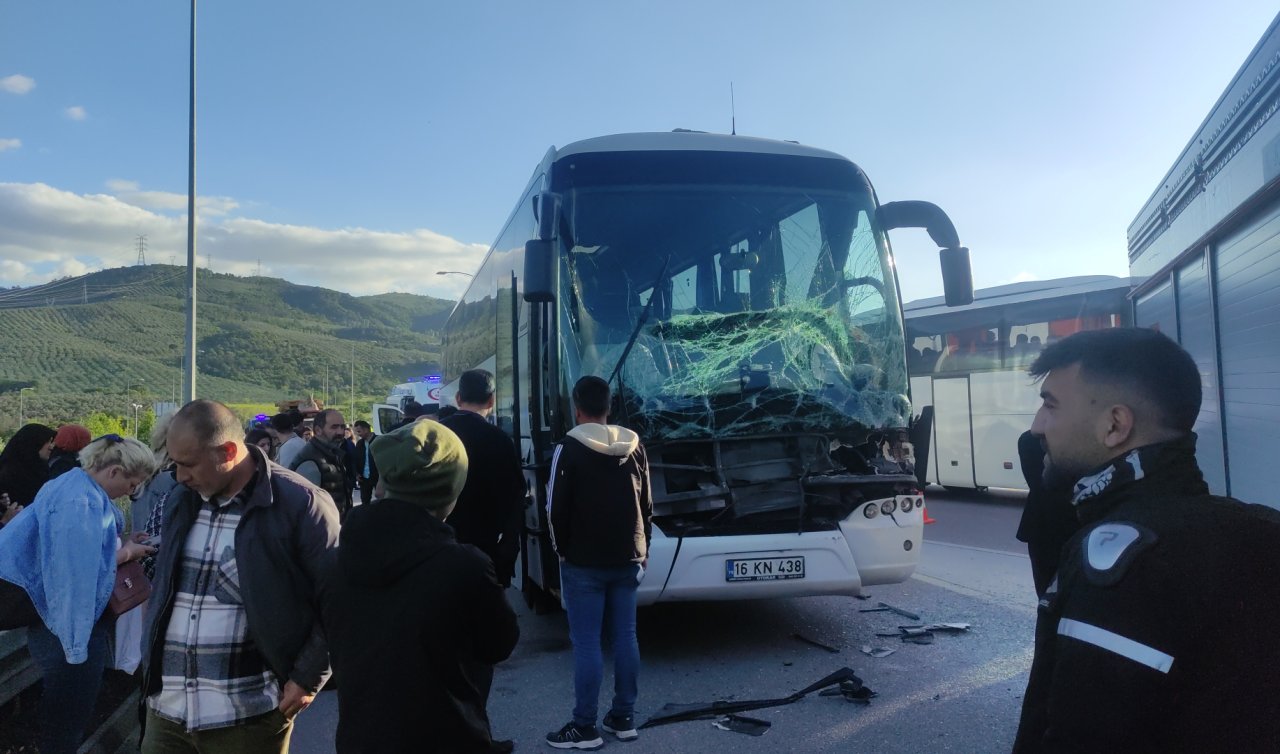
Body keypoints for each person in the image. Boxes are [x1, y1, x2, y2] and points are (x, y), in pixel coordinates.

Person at [1013, 328, 1280, 752]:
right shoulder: (1258, 530)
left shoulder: (1123, 569)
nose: (1037, 426)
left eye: (1050, 405)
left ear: (1115, 425)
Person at [139, 399, 341, 754]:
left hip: (248, 715)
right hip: (166, 711)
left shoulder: (301, 503)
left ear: (229, 451)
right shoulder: (181, 500)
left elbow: (338, 599)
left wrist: (306, 678)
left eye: (188, 464)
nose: (180, 475)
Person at [323, 420, 519, 753]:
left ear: (385, 482)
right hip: (450, 738)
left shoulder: (335, 561)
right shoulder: (464, 566)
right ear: (450, 491)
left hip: (359, 739)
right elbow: (497, 645)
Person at [0, 433, 157, 754]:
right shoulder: (79, 502)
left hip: (54, 621)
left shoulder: (73, 486)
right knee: (67, 714)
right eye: (132, 485)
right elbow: (73, 575)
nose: (131, 493)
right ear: (114, 471)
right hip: (63, 626)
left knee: (65, 712)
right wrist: (76, 647)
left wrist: (124, 544)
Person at [545, 376, 653, 749]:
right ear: (610, 406)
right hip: (628, 558)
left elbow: (555, 508)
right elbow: (647, 505)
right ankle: (624, 717)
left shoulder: (569, 448)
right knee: (626, 637)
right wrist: (644, 552)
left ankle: (584, 726)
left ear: (577, 408)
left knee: (588, 643)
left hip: (583, 562)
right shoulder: (635, 446)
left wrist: (562, 551)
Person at [440, 369, 525, 588]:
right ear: (491, 400)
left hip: (442, 544)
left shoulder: (438, 434)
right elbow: (514, 496)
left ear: (458, 398)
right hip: (486, 547)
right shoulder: (500, 439)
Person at [1014, 430, 1077, 598]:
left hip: (1041, 525)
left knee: (1047, 594)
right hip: (1065, 525)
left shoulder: (1028, 439)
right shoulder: (1088, 439)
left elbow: (1036, 484)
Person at [290, 408, 353, 518]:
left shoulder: (332, 453)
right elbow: (306, 509)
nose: (340, 432)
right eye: (334, 427)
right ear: (318, 430)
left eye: (342, 427)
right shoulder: (311, 461)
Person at [0, 422, 57, 508]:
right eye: (47, 442)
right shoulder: (8, 474)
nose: (51, 447)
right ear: (33, 443)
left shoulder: (42, 470)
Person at [351, 420, 379, 505]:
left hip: (378, 477)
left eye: (359, 431)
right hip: (364, 478)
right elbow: (355, 459)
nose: (358, 434)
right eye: (356, 432)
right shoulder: (360, 443)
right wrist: (356, 473)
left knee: (382, 500)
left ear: (366, 429)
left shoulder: (379, 440)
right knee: (365, 501)